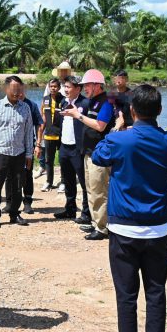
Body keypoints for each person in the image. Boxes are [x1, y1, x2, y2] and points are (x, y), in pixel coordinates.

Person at [92, 84, 167, 332]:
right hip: (158, 228)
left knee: (126, 293)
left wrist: (118, 128)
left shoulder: (120, 141)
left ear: (131, 111)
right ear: (159, 110)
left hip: (124, 229)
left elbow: (98, 156)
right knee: (156, 290)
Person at [64, 69, 117, 240]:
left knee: (99, 190)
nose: (85, 88)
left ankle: (102, 228)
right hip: (88, 152)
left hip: (100, 153)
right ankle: (96, 223)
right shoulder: (91, 101)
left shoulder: (106, 102)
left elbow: (100, 126)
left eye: (87, 85)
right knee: (91, 190)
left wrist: (77, 116)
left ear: (96, 85)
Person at [0, 76, 35, 228]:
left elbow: (28, 132)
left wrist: (29, 154)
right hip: (0, 152)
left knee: (17, 185)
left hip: (19, 153)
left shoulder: (25, 107)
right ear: (5, 89)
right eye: (14, 90)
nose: (17, 93)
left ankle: (14, 213)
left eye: (19, 89)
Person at [54, 76, 90, 224]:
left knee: (84, 181)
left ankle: (87, 213)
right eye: (65, 86)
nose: (65, 89)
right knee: (68, 180)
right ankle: (70, 209)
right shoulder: (63, 102)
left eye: (68, 87)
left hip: (78, 148)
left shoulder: (85, 103)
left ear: (78, 88)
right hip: (64, 147)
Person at [20, 90, 44, 215]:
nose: (18, 93)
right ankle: (10, 202)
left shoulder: (32, 105)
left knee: (27, 174)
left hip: (28, 145)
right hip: (10, 146)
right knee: (10, 175)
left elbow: (40, 124)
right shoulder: (4, 104)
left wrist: (38, 145)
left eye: (20, 90)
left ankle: (28, 202)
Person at [39, 78, 64, 192]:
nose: (53, 88)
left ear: (59, 88)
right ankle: (49, 182)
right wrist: (39, 138)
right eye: (51, 86)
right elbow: (42, 118)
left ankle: (63, 182)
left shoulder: (64, 100)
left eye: (55, 86)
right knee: (49, 160)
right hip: (48, 135)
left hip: (61, 135)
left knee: (63, 159)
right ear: (49, 87)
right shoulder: (45, 100)